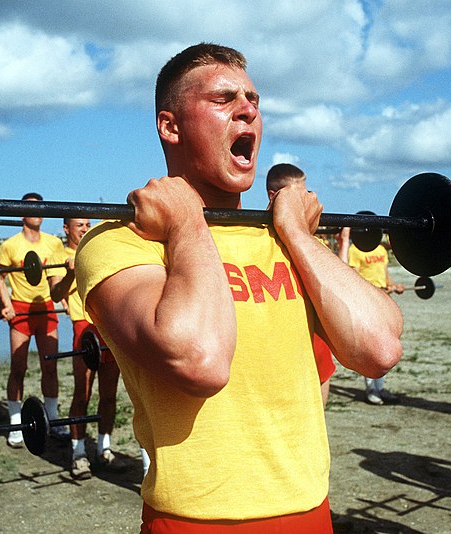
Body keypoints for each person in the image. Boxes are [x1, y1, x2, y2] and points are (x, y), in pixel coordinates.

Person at [75, 43, 402, 531]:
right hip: (195, 520)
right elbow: (200, 361)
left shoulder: (285, 238)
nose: (247, 109)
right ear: (170, 127)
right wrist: (187, 220)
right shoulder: (118, 243)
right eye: (223, 99)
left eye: (252, 99)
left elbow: (378, 348)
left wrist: (296, 234)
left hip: (310, 512)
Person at [0, 193, 69, 447]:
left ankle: (53, 419)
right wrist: (7, 304)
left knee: (50, 366)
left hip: (46, 308)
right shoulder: (9, 246)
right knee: (18, 367)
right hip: (21, 311)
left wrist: (64, 301)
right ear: (22, 214)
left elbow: (56, 278)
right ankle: (16, 424)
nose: (37, 213)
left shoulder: (53, 244)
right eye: (31, 209)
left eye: (40, 209)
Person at [51, 218, 124, 480]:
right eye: (79, 225)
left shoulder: (96, 251)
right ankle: (79, 453)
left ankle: (104, 449)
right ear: (66, 229)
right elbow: (56, 294)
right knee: (81, 395)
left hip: (107, 327)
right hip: (83, 330)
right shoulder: (59, 254)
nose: (84, 228)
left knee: (109, 395)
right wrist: (71, 272)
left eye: (87, 224)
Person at [265, 163, 337, 406]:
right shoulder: (258, 242)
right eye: (299, 196)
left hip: (314, 344)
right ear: (274, 197)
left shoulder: (313, 245)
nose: (307, 201)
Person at [337, 228, 403, 405]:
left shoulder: (381, 250)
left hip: (384, 301)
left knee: (386, 344)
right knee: (370, 346)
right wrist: (373, 290)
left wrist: (393, 285)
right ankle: (371, 389)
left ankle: (380, 387)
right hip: (367, 302)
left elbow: (385, 274)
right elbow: (353, 277)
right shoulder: (355, 250)